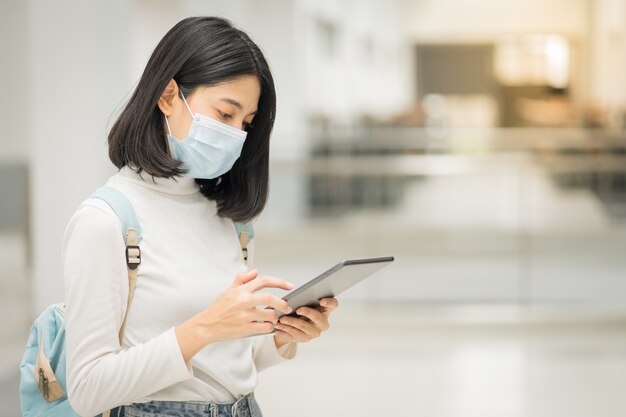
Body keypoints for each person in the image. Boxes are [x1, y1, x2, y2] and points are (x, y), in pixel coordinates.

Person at [63, 16, 338, 417]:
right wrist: (204, 327)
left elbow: (226, 361)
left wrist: (283, 336)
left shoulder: (230, 218)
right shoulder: (105, 220)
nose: (237, 136)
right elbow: (87, 390)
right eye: (225, 114)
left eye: (246, 123)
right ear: (168, 96)